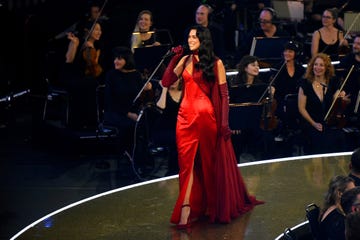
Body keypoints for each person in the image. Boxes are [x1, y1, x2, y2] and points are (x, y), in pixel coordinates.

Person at [161, 25, 263, 228]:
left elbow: (225, 96)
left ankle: (206, 208)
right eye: (188, 36)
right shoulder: (185, 60)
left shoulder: (216, 63)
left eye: (194, 36)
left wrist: (224, 123)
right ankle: (187, 210)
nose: (190, 39)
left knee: (207, 165)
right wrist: (175, 57)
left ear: (203, 39)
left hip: (206, 119)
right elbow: (166, 81)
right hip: (184, 120)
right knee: (186, 167)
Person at [103, 46, 152, 172]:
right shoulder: (111, 75)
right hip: (115, 112)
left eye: (119, 59)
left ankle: (141, 157)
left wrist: (148, 89)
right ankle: (126, 158)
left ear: (127, 60)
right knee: (128, 125)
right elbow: (110, 101)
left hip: (132, 112)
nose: (115, 61)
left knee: (145, 123)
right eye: (115, 59)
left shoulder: (135, 75)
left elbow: (140, 98)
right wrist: (128, 113)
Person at [298, 53, 348, 154]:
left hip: (330, 122)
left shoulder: (333, 82)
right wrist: (314, 123)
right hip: (312, 122)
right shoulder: (305, 83)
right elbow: (301, 108)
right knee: (319, 139)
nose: (318, 67)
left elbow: (336, 99)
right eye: (315, 64)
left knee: (341, 137)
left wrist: (340, 96)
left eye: (321, 65)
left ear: (326, 68)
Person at [63, 20, 104, 129]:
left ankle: (93, 121)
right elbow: (69, 60)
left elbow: (95, 67)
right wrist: (74, 44)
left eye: (100, 30)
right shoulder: (77, 41)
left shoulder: (98, 47)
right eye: (96, 29)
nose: (99, 32)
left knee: (94, 83)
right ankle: (80, 121)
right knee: (89, 85)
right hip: (73, 75)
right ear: (87, 31)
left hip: (88, 77)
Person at [230, 55, 268, 160]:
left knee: (264, 137)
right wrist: (233, 125)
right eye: (253, 65)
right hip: (239, 124)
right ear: (245, 68)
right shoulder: (235, 86)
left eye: (258, 66)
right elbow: (231, 107)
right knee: (236, 140)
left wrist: (270, 92)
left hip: (255, 123)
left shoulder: (261, 86)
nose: (257, 68)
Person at [272, 41, 305, 140]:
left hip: (297, 99)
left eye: (290, 51)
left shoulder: (301, 69)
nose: (287, 53)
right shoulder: (277, 68)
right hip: (281, 99)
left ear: (296, 53)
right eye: (285, 51)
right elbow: (273, 85)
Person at [152, 79, 182, 176]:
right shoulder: (163, 92)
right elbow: (161, 107)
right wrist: (164, 88)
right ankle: (173, 172)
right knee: (177, 140)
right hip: (163, 128)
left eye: (175, 78)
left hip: (179, 127)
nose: (173, 81)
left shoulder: (184, 91)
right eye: (170, 78)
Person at [318, 175, 355, 240]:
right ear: (339, 193)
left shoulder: (331, 208)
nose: (355, 194)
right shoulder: (338, 220)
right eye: (352, 191)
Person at [339, 34, 360, 123]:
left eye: (358, 44)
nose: (355, 46)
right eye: (354, 43)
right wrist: (342, 92)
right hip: (349, 96)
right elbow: (338, 79)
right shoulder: (347, 60)